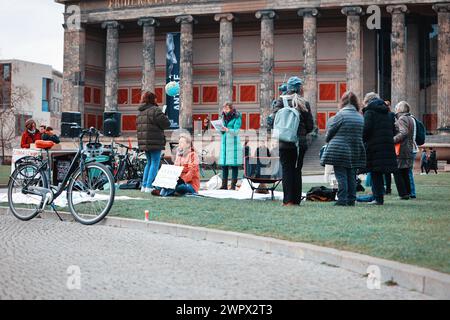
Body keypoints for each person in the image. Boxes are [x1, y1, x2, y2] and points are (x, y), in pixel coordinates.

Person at [270, 76, 314, 206]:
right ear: (300, 89)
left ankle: (287, 200)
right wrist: (301, 133)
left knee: (286, 170)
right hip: (299, 143)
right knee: (297, 170)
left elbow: (272, 122)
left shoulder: (280, 101)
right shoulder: (304, 103)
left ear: (288, 88)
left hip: (284, 142)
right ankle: (296, 200)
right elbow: (310, 126)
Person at [320, 91, 366, 206]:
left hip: (339, 150)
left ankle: (342, 200)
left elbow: (330, 132)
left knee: (341, 175)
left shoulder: (340, 115)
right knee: (351, 175)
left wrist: (327, 139)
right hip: (355, 149)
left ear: (342, 102)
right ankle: (351, 199)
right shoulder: (360, 117)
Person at [362, 93, 398, 205]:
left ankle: (378, 198)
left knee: (375, 172)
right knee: (379, 171)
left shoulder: (369, 112)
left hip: (374, 146)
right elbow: (394, 130)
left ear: (367, 101)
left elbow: (366, 129)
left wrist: (363, 139)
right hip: (387, 145)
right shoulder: (388, 113)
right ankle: (378, 196)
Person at [136, 91, 171, 193]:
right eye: (155, 98)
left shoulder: (140, 111)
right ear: (152, 99)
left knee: (149, 162)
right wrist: (164, 115)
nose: (157, 100)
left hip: (144, 141)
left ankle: (144, 185)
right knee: (155, 163)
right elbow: (166, 124)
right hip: (154, 140)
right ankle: (149, 186)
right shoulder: (155, 110)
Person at [393, 101, 415, 200]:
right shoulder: (410, 118)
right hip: (409, 148)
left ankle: (403, 194)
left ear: (400, 109)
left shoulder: (401, 119)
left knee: (398, 171)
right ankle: (408, 192)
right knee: (405, 171)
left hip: (401, 148)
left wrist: (393, 139)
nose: (395, 109)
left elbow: (403, 132)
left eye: (397, 107)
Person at [219, 102, 243, 191]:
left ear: (231, 109)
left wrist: (227, 129)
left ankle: (233, 185)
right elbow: (221, 131)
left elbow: (236, 131)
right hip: (225, 142)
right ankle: (224, 185)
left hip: (233, 143)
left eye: (227, 109)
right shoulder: (222, 117)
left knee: (234, 165)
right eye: (224, 108)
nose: (225, 110)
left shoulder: (237, 116)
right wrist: (220, 129)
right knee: (224, 165)